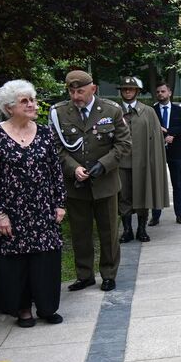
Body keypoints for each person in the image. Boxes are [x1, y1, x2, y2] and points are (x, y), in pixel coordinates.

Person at [0, 80, 66, 327]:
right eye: (25, 101)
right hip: (11, 212)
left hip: (42, 208)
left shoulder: (44, 132)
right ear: (9, 107)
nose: (32, 104)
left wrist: (59, 203)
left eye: (32, 99)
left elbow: (55, 171)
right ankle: (23, 309)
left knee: (46, 259)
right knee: (16, 262)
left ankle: (47, 307)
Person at [52, 70, 131, 292]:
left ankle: (108, 274)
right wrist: (73, 168)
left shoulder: (111, 110)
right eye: (72, 91)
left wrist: (103, 165)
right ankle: (84, 275)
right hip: (76, 185)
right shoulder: (60, 113)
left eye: (81, 91)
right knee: (80, 233)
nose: (76, 96)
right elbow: (56, 147)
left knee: (108, 233)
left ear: (93, 89)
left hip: (105, 183)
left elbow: (124, 144)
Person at [116, 76, 168, 242]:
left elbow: (156, 138)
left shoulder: (148, 111)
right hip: (121, 162)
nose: (128, 91)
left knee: (143, 195)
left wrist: (154, 161)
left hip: (143, 162)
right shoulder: (114, 111)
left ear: (137, 91)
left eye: (131, 89)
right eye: (124, 89)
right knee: (124, 197)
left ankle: (142, 229)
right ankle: (127, 230)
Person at [150, 81, 181, 225]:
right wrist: (161, 135)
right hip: (157, 152)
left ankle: (179, 214)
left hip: (175, 151)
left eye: (163, 91)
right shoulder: (151, 111)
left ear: (169, 93)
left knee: (177, 185)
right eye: (158, 92)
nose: (160, 94)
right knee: (157, 184)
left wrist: (171, 133)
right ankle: (155, 216)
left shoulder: (179, 110)